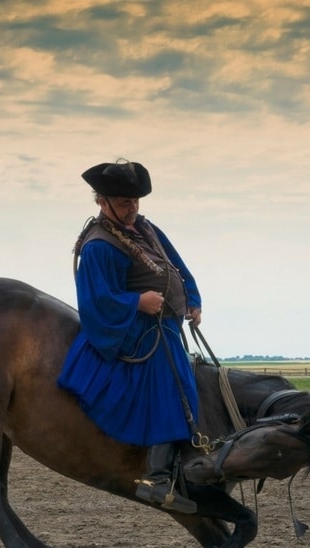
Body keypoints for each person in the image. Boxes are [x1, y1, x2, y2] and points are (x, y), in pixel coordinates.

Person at [57, 160, 202, 513]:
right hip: (137, 332)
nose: (132, 208)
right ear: (101, 202)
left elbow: (177, 267)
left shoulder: (147, 228)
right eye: (124, 202)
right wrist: (137, 301)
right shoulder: (99, 246)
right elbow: (96, 300)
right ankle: (156, 479)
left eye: (135, 201)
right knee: (170, 388)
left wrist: (193, 300)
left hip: (166, 325)